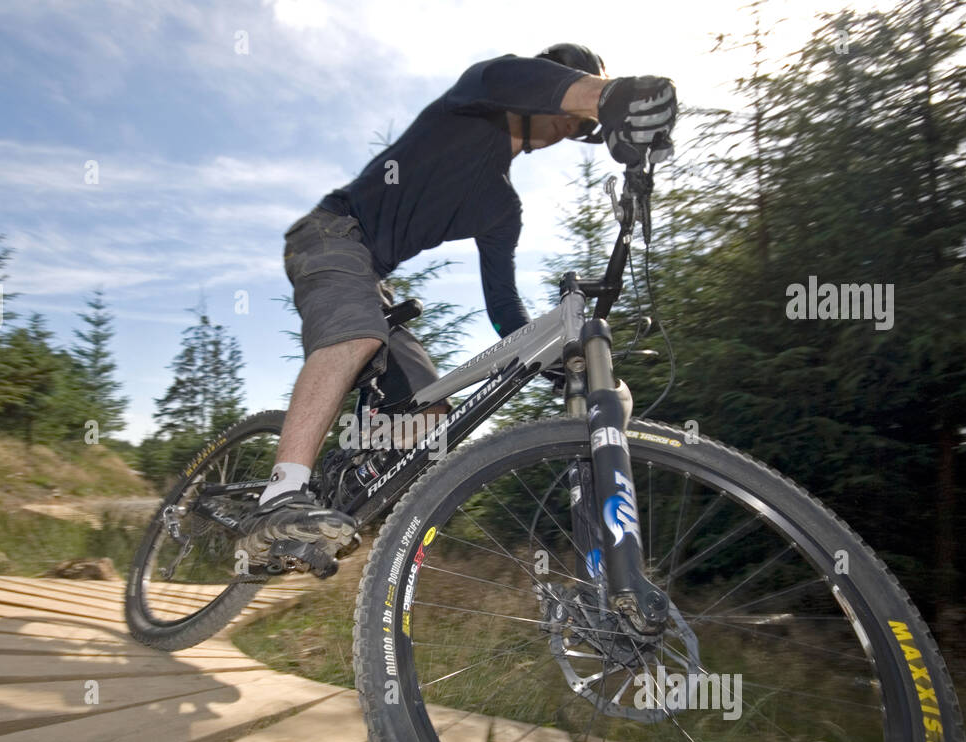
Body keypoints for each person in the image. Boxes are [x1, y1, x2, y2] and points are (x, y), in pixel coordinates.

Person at [237, 43, 676, 573]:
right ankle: (281, 495)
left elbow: (504, 310)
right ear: (552, 84)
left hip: (372, 275)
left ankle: (326, 500)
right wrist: (608, 96)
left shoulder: (501, 207)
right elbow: (520, 78)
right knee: (358, 336)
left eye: (584, 129)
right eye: (573, 115)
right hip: (331, 233)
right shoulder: (480, 95)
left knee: (430, 419)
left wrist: (556, 362)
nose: (572, 129)